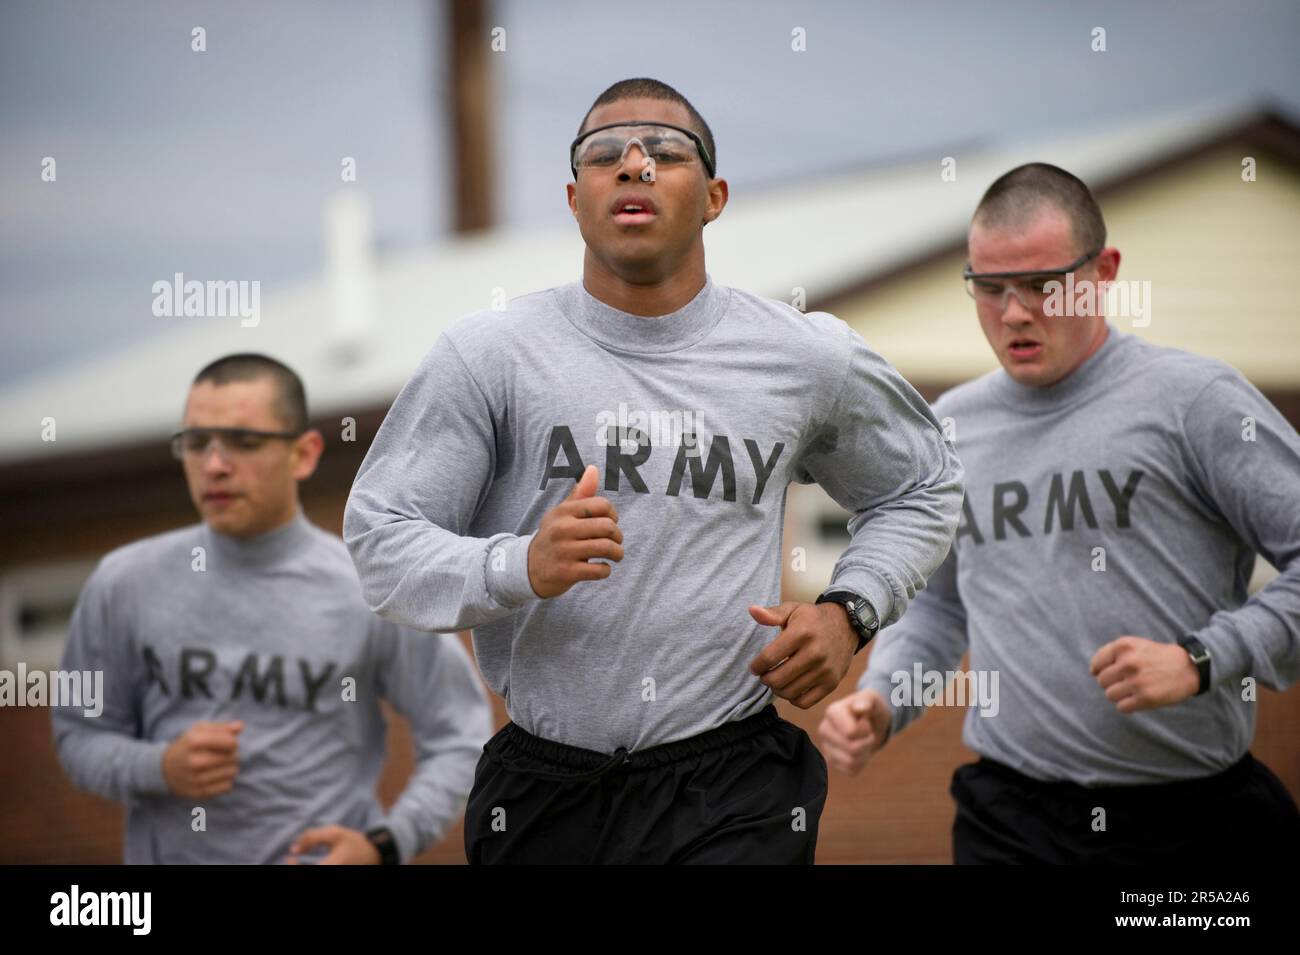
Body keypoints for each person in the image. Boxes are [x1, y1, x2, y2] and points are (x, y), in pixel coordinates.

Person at [343, 77, 963, 864]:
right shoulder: (488, 354)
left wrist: (849, 612)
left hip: (732, 784)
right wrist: (518, 562)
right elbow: (377, 540)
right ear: (574, 198)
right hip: (542, 787)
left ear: (715, 196)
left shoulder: (806, 356)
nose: (633, 166)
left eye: (666, 152)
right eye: (604, 155)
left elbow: (925, 485)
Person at [820, 162, 1300, 864]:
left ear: (1104, 271)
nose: (1014, 312)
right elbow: (941, 604)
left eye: (1043, 285)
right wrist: (885, 695)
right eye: (989, 287)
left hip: (1194, 818)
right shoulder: (950, 430)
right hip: (1012, 818)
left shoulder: (1195, 401)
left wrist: (1203, 658)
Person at [53, 353, 491, 864]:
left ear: (303, 455)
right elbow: (79, 736)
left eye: (244, 442)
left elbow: (460, 738)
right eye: (196, 443)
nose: (215, 464)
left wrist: (385, 846)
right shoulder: (123, 582)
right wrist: (160, 767)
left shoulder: (370, 586)